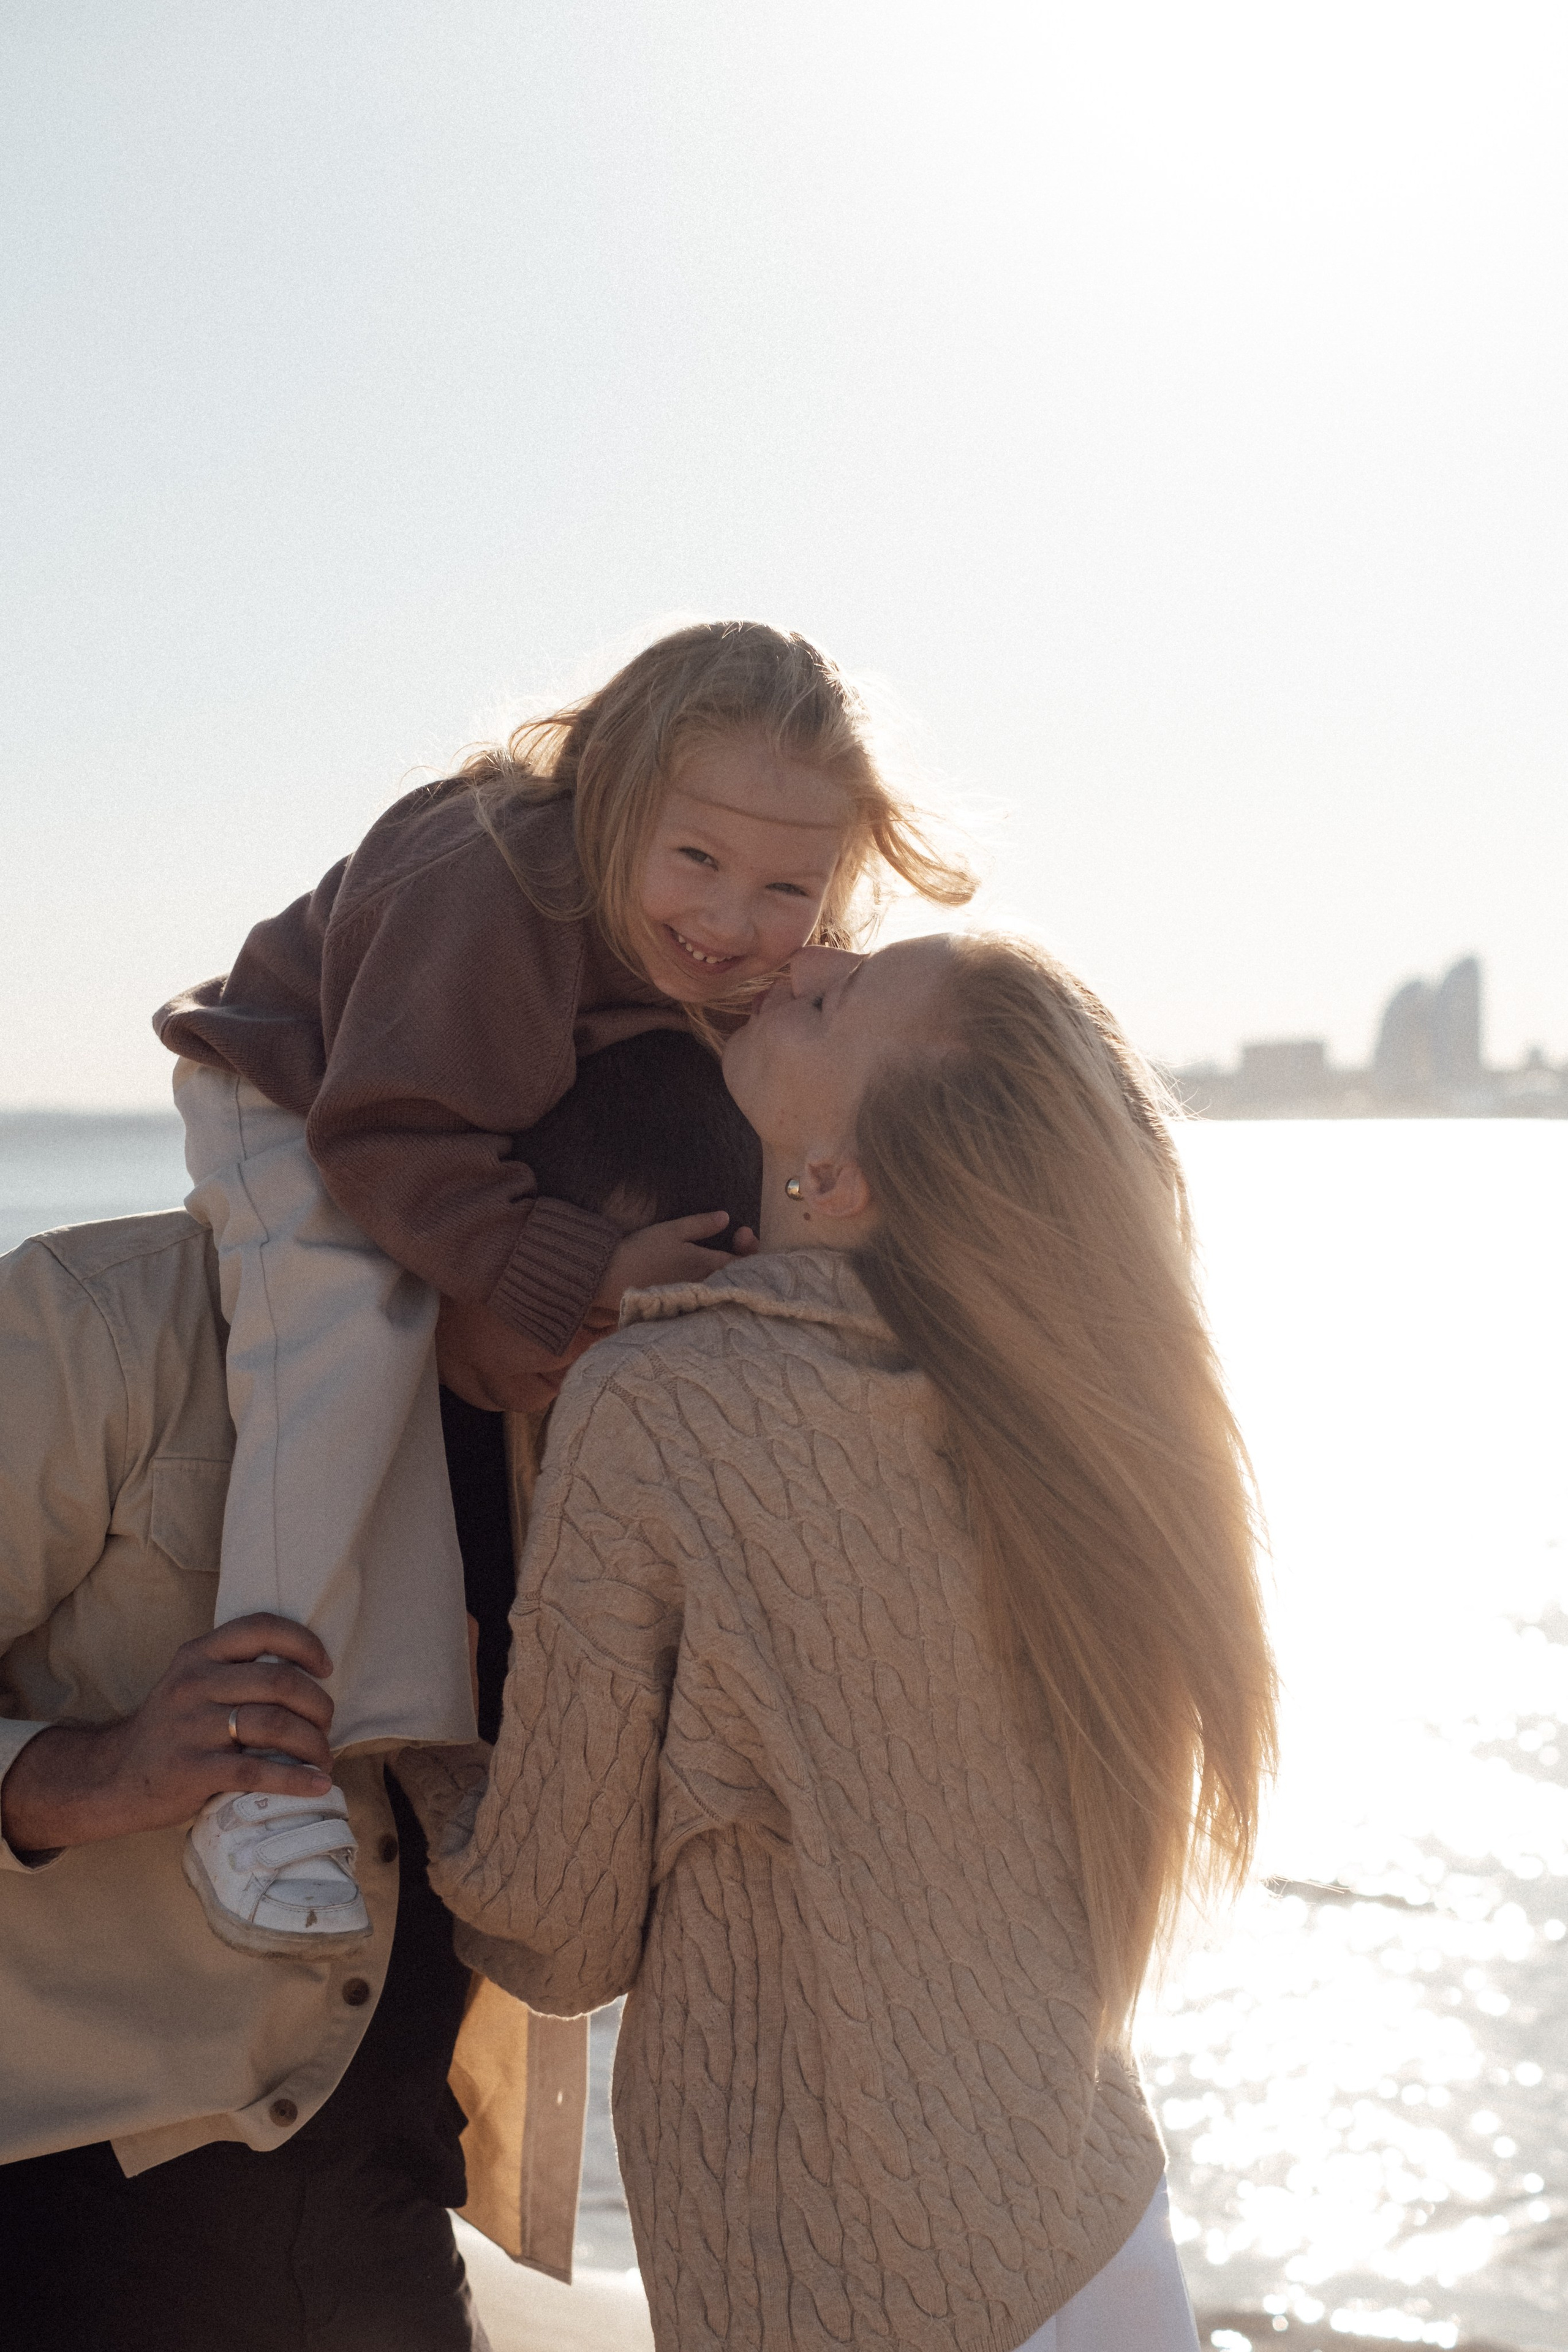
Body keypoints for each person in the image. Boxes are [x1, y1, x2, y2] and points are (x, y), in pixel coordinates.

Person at [399, 932, 1279, 2352]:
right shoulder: (1047, 1423)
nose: (804, 953)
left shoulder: (663, 1402)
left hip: (849, 2284)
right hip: (1093, 2225)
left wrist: (414, 1726)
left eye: (833, 997)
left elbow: (543, 1934)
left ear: (842, 1177)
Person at [152, 619, 974, 1957]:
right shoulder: (489, 882)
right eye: (694, 859)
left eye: (785, 888)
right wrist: (584, 1268)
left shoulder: (749, 950)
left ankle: (477, 1738)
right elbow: (388, 1135)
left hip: (479, 1111)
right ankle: (259, 1773)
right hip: (307, 1088)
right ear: (607, 797)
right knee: (345, 1342)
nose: (728, 920)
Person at [0, 1027, 761, 2352]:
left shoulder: (624, 1433)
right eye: (571, 1308)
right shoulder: (108, 1321)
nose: (588, 1368)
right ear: (474, 1211)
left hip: (386, 2174)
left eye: (636, 1337)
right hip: (77, 2171)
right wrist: (97, 1773)